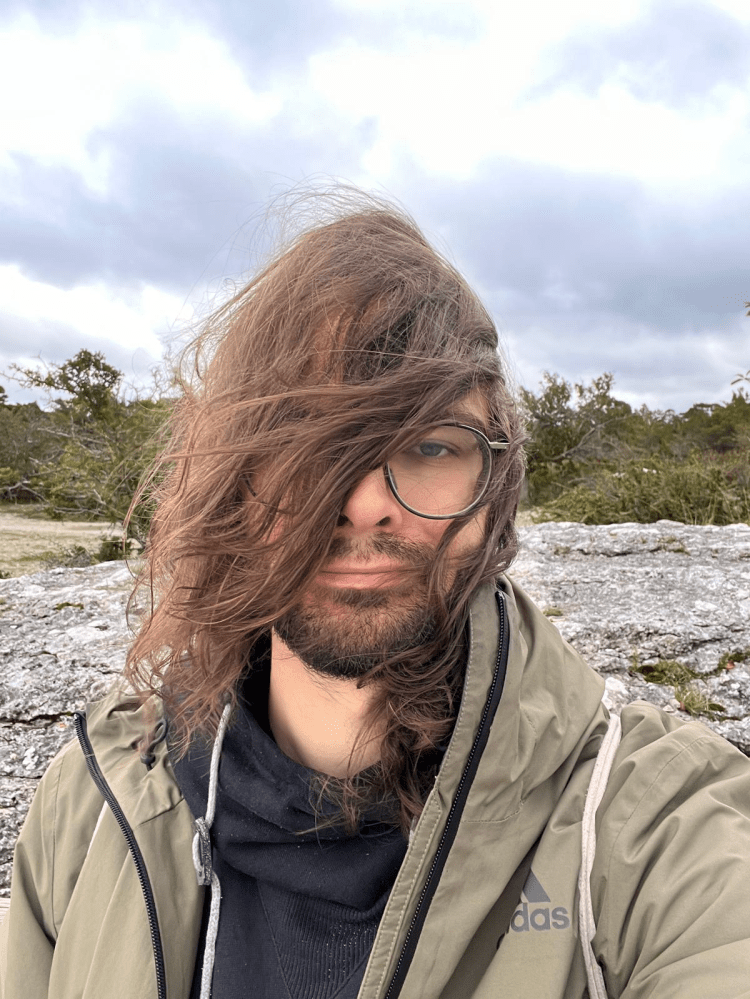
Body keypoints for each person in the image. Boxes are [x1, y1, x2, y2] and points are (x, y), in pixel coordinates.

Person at [1, 193, 749, 999]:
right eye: (307, 443)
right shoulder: (90, 805)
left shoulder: (655, 826)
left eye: (430, 445)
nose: (362, 501)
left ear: (495, 486)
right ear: (232, 480)